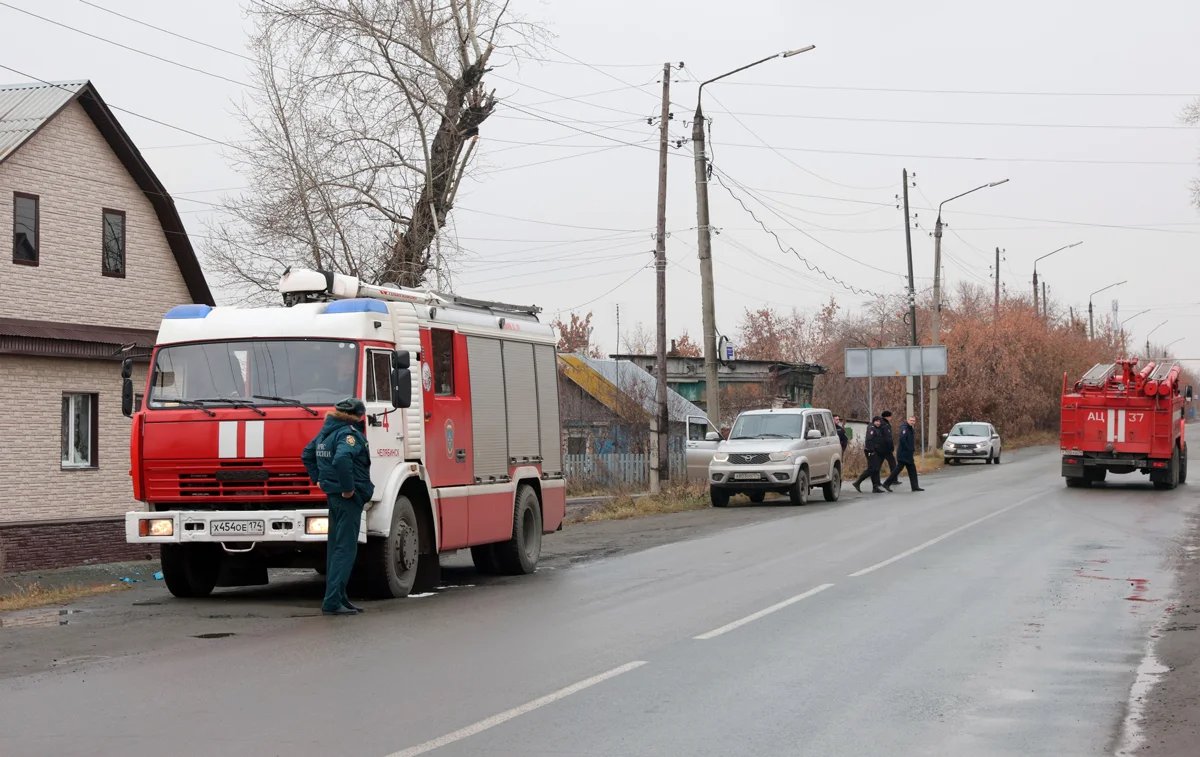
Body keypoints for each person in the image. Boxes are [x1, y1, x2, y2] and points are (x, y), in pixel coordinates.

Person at [302, 397, 374, 616]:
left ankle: (339, 597)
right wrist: (348, 488)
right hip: (347, 499)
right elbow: (342, 459)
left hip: (333, 496)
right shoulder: (348, 434)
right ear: (357, 416)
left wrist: (318, 479)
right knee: (345, 549)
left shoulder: (326, 433)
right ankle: (333, 601)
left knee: (335, 548)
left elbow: (307, 453)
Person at [883, 415, 925, 492]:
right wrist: (908, 448)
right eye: (911, 420)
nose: (912, 422)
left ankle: (915, 487)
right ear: (907, 420)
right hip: (903, 453)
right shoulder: (904, 428)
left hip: (908, 454)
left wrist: (911, 450)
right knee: (898, 469)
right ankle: (886, 483)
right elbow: (902, 439)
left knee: (912, 470)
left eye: (914, 421)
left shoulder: (910, 428)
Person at [852, 416, 886, 494]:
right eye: (877, 421)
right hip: (870, 451)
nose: (878, 423)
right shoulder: (871, 428)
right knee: (872, 469)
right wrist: (872, 451)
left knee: (875, 469)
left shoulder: (876, 428)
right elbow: (869, 440)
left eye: (879, 421)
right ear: (874, 421)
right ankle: (858, 482)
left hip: (875, 451)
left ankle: (875, 487)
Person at [878, 410, 899, 484]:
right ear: (887, 417)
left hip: (880, 448)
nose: (891, 418)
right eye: (890, 416)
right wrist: (891, 447)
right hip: (886, 448)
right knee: (893, 464)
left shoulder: (880, 423)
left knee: (878, 465)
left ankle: (877, 481)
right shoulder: (885, 425)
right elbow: (888, 438)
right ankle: (894, 479)